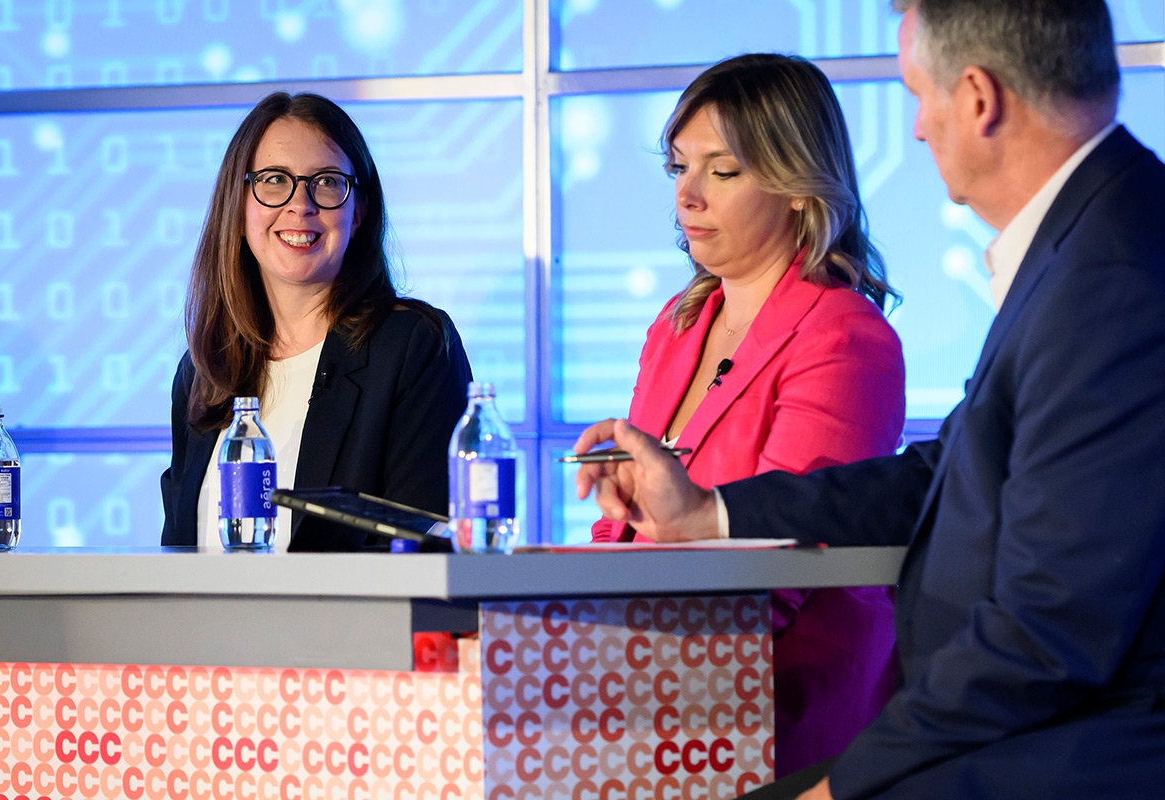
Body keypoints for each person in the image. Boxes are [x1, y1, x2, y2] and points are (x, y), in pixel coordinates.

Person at [575, 1, 1165, 798]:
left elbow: (1048, 633)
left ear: (979, 98)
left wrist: (853, 779)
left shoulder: (1111, 280)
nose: (917, 130)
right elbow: (940, 475)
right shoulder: (1091, 247)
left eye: (919, 96)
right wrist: (706, 514)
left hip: (1064, 751)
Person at [589, 53, 905, 778]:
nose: (688, 197)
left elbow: (786, 562)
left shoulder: (846, 337)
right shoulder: (677, 321)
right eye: (678, 168)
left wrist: (604, 653)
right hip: (651, 680)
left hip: (775, 710)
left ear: (798, 187)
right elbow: (627, 528)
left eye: (721, 171)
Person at [161, 92, 472, 552]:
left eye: (326, 182)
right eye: (273, 180)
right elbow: (177, 551)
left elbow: (425, 550)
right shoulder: (204, 370)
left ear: (359, 210)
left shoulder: (412, 347)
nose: (300, 205)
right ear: (238, 203)